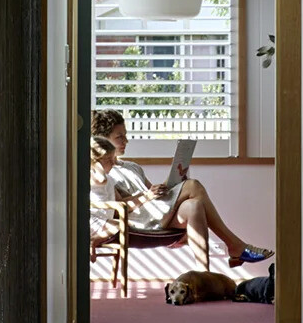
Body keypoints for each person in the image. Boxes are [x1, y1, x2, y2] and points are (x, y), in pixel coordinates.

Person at [90, 109, 273, 269]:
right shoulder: (104, 174)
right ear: (102, 140)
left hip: (156, 212)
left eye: (126, 135)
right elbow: (118, 208)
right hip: (138, 221)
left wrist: (172, 185)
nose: (126, 141)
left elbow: (152, 192)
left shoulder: (132, 166)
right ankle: (234, 245)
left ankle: (203, 274)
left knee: (194, 205)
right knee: (193, 186)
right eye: (119, 137)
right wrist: (158, 193)